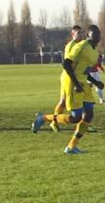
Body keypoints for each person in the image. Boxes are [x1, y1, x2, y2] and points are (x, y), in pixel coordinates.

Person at [32, 24, 100, 154]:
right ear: (88, 35)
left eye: (99, 34)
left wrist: (96, 82)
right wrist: (76, 84)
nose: (98, 37)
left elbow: (84, 69)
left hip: (83, 83)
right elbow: (66, 64)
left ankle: (71, 146)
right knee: (75, 117)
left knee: (89, 114)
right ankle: (44, 118)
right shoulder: (80, 46)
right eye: (95, 34)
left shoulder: (95, 51)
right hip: (73, 82)